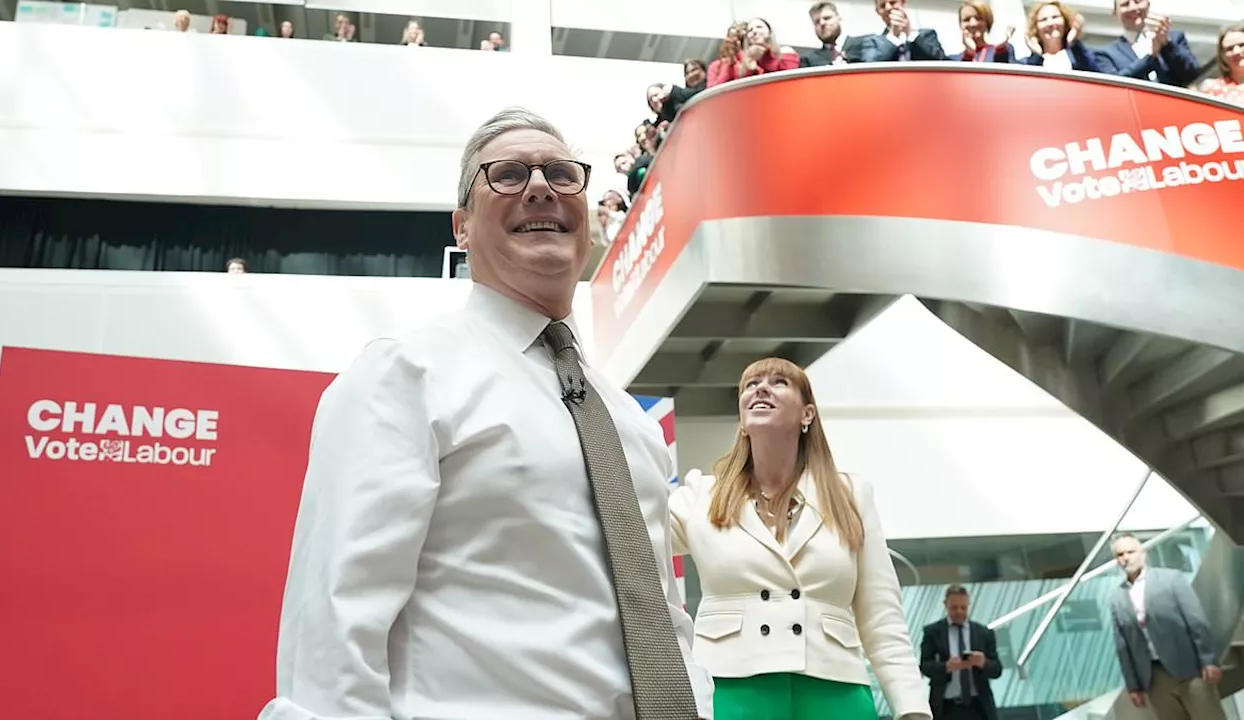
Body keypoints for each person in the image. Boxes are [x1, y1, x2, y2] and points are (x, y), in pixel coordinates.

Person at [258, 107, 712, 720]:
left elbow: (662, 615)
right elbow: (336, 620)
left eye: (560, 172)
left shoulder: (629, 420)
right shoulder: (405, 376)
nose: (540, 185)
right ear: (463, 227)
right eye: (506, 174)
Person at [670, 357, 930, 720]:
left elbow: (882, 616)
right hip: (730, 687)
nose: (761, 388)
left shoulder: (851, 495)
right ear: (742, 419)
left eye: (779, 382)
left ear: (807, 414)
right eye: (750, 384)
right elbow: (631, 535)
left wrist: (912, 707)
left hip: (836, 690)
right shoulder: (701, 495)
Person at [1109, 533, 1225, 720]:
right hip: (1154, 677)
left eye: (1130, 551)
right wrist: (1133, 686)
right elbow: (1123, 646)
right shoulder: (1117, 598)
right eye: (1120, 554)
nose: (1126, 558)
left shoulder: (1171, 580)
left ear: (1143, 553)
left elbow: (1196, 621)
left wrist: (1208, 660)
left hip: (1190, 668)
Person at [920, 585, 1001, 720]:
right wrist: (946, 667)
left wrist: (983, 663)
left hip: (979, 706)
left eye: (963, 607)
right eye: (954, 607)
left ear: (968, 605)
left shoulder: (983, 633)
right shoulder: (932, 632)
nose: (959, 611)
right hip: (946, 706)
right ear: (945, 605)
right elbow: (924, 666)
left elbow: (997, 669)